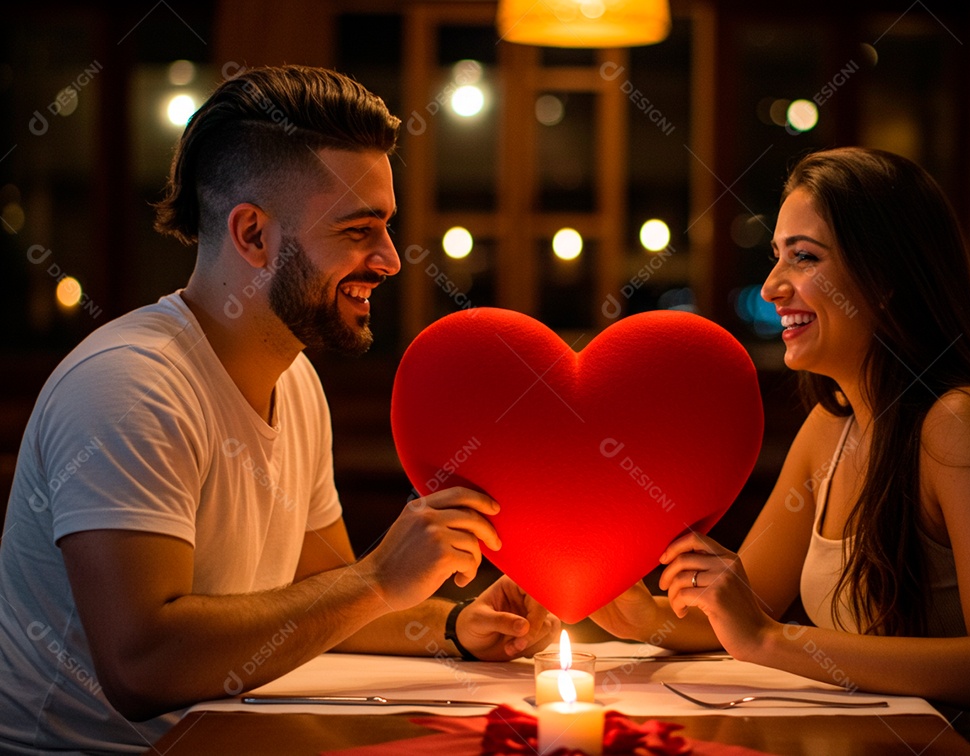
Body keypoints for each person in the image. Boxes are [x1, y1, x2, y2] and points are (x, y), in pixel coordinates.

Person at [0, 64, 557, 754]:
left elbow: (321, 596)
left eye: (386, 227)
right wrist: (378, 578)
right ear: (253, 235)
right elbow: (141, 667)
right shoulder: (129, 386)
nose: (389, 259)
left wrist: (452, 627)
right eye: (358, 230)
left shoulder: (295, 380)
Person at [590, 146, 970, 753]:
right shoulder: (831, 426)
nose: (772, 287)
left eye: (804, 257)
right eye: (776, 256)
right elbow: (742, 612)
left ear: (886, 280)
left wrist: (770, 639)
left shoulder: (959, 422)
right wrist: (631, 609)